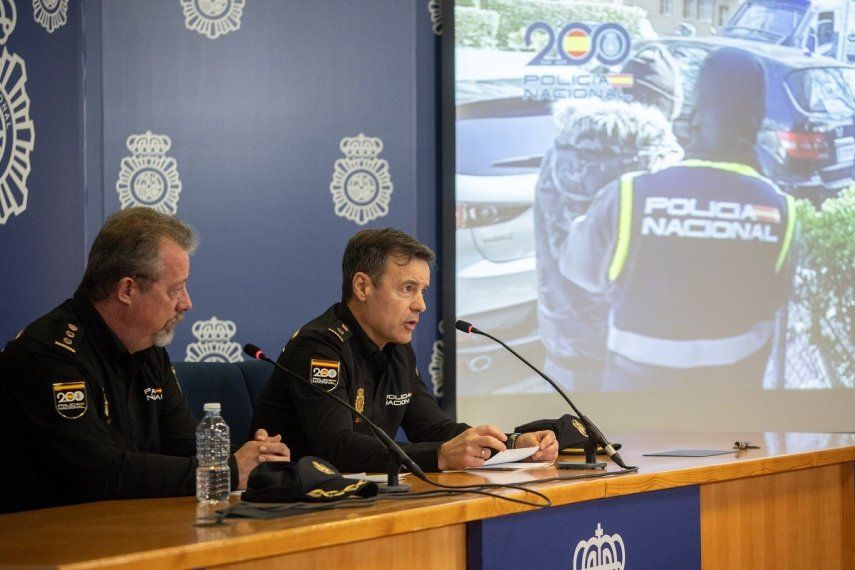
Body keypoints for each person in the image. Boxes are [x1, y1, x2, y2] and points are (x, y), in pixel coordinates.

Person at [0, 207, 290, 513]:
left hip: (121, 524)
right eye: (175, 289)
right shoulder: (51, 356)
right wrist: (228, 470)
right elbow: (101, 474)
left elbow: (184, 443)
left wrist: (254, 457)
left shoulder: (148, 348)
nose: (187, 303)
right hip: (41, 533)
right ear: (127, 289)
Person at [559, 47, 797, 390]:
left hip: (636, 399)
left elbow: (578, 270)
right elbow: (775, 297)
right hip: (732, 402)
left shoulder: (630, 193)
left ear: (695, 112)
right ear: (757, 117)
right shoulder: (780, 209)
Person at [250, 228, 558, 473]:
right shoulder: (320, 348)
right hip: (292, 504)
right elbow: (337, 448)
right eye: (407, 289)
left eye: (422, 291)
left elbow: (433, 428)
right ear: (362, 287)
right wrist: (440, 456)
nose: (420, 305)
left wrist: (513, 444)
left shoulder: (397, 348)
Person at [534, 99, 682, 390]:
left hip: (563, 340)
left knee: (566, 418)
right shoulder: (651, 172)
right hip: (636, 351)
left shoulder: (558, 158)